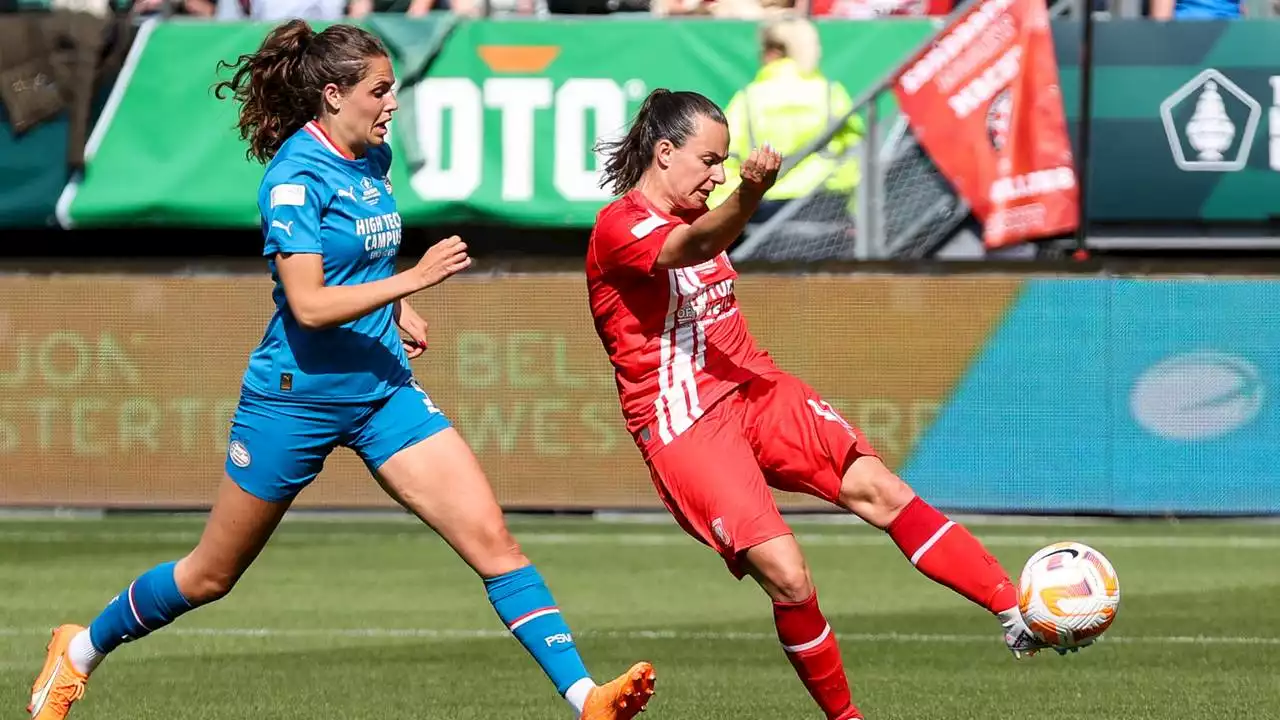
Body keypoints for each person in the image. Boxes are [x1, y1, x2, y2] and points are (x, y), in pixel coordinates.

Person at [26, 20, 656, 720]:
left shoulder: (373, 158)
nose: (393, 104)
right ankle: (79, 650)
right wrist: (409, 283)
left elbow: (358, 262)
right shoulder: (293, 179)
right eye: (380, 91)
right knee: (209, 576)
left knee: (493, 540)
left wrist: (392, 312)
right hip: (294, 398)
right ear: (333, 94)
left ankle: (584, 699)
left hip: (381, 389)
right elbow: (309, 304)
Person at [586, 89, 1060, 720]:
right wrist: (751, 193)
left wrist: (737, 197)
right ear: (664, 153)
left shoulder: (702, 210)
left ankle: (1014, 610)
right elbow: (693, 247)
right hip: (684, 422)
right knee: (787, 573)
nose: (718, 174)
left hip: (755, 385)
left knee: (882, 491)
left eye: (725, 163)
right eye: (708, 161)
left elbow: (705, 242)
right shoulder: (620, 228)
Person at [707, 17, 863, 228]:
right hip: (826, 205)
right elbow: (857, 161)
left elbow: (726, 162)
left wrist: (723, 221)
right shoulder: (830, 93)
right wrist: (856, 213)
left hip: (764, 210)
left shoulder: (748, 98)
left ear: (771, 52)